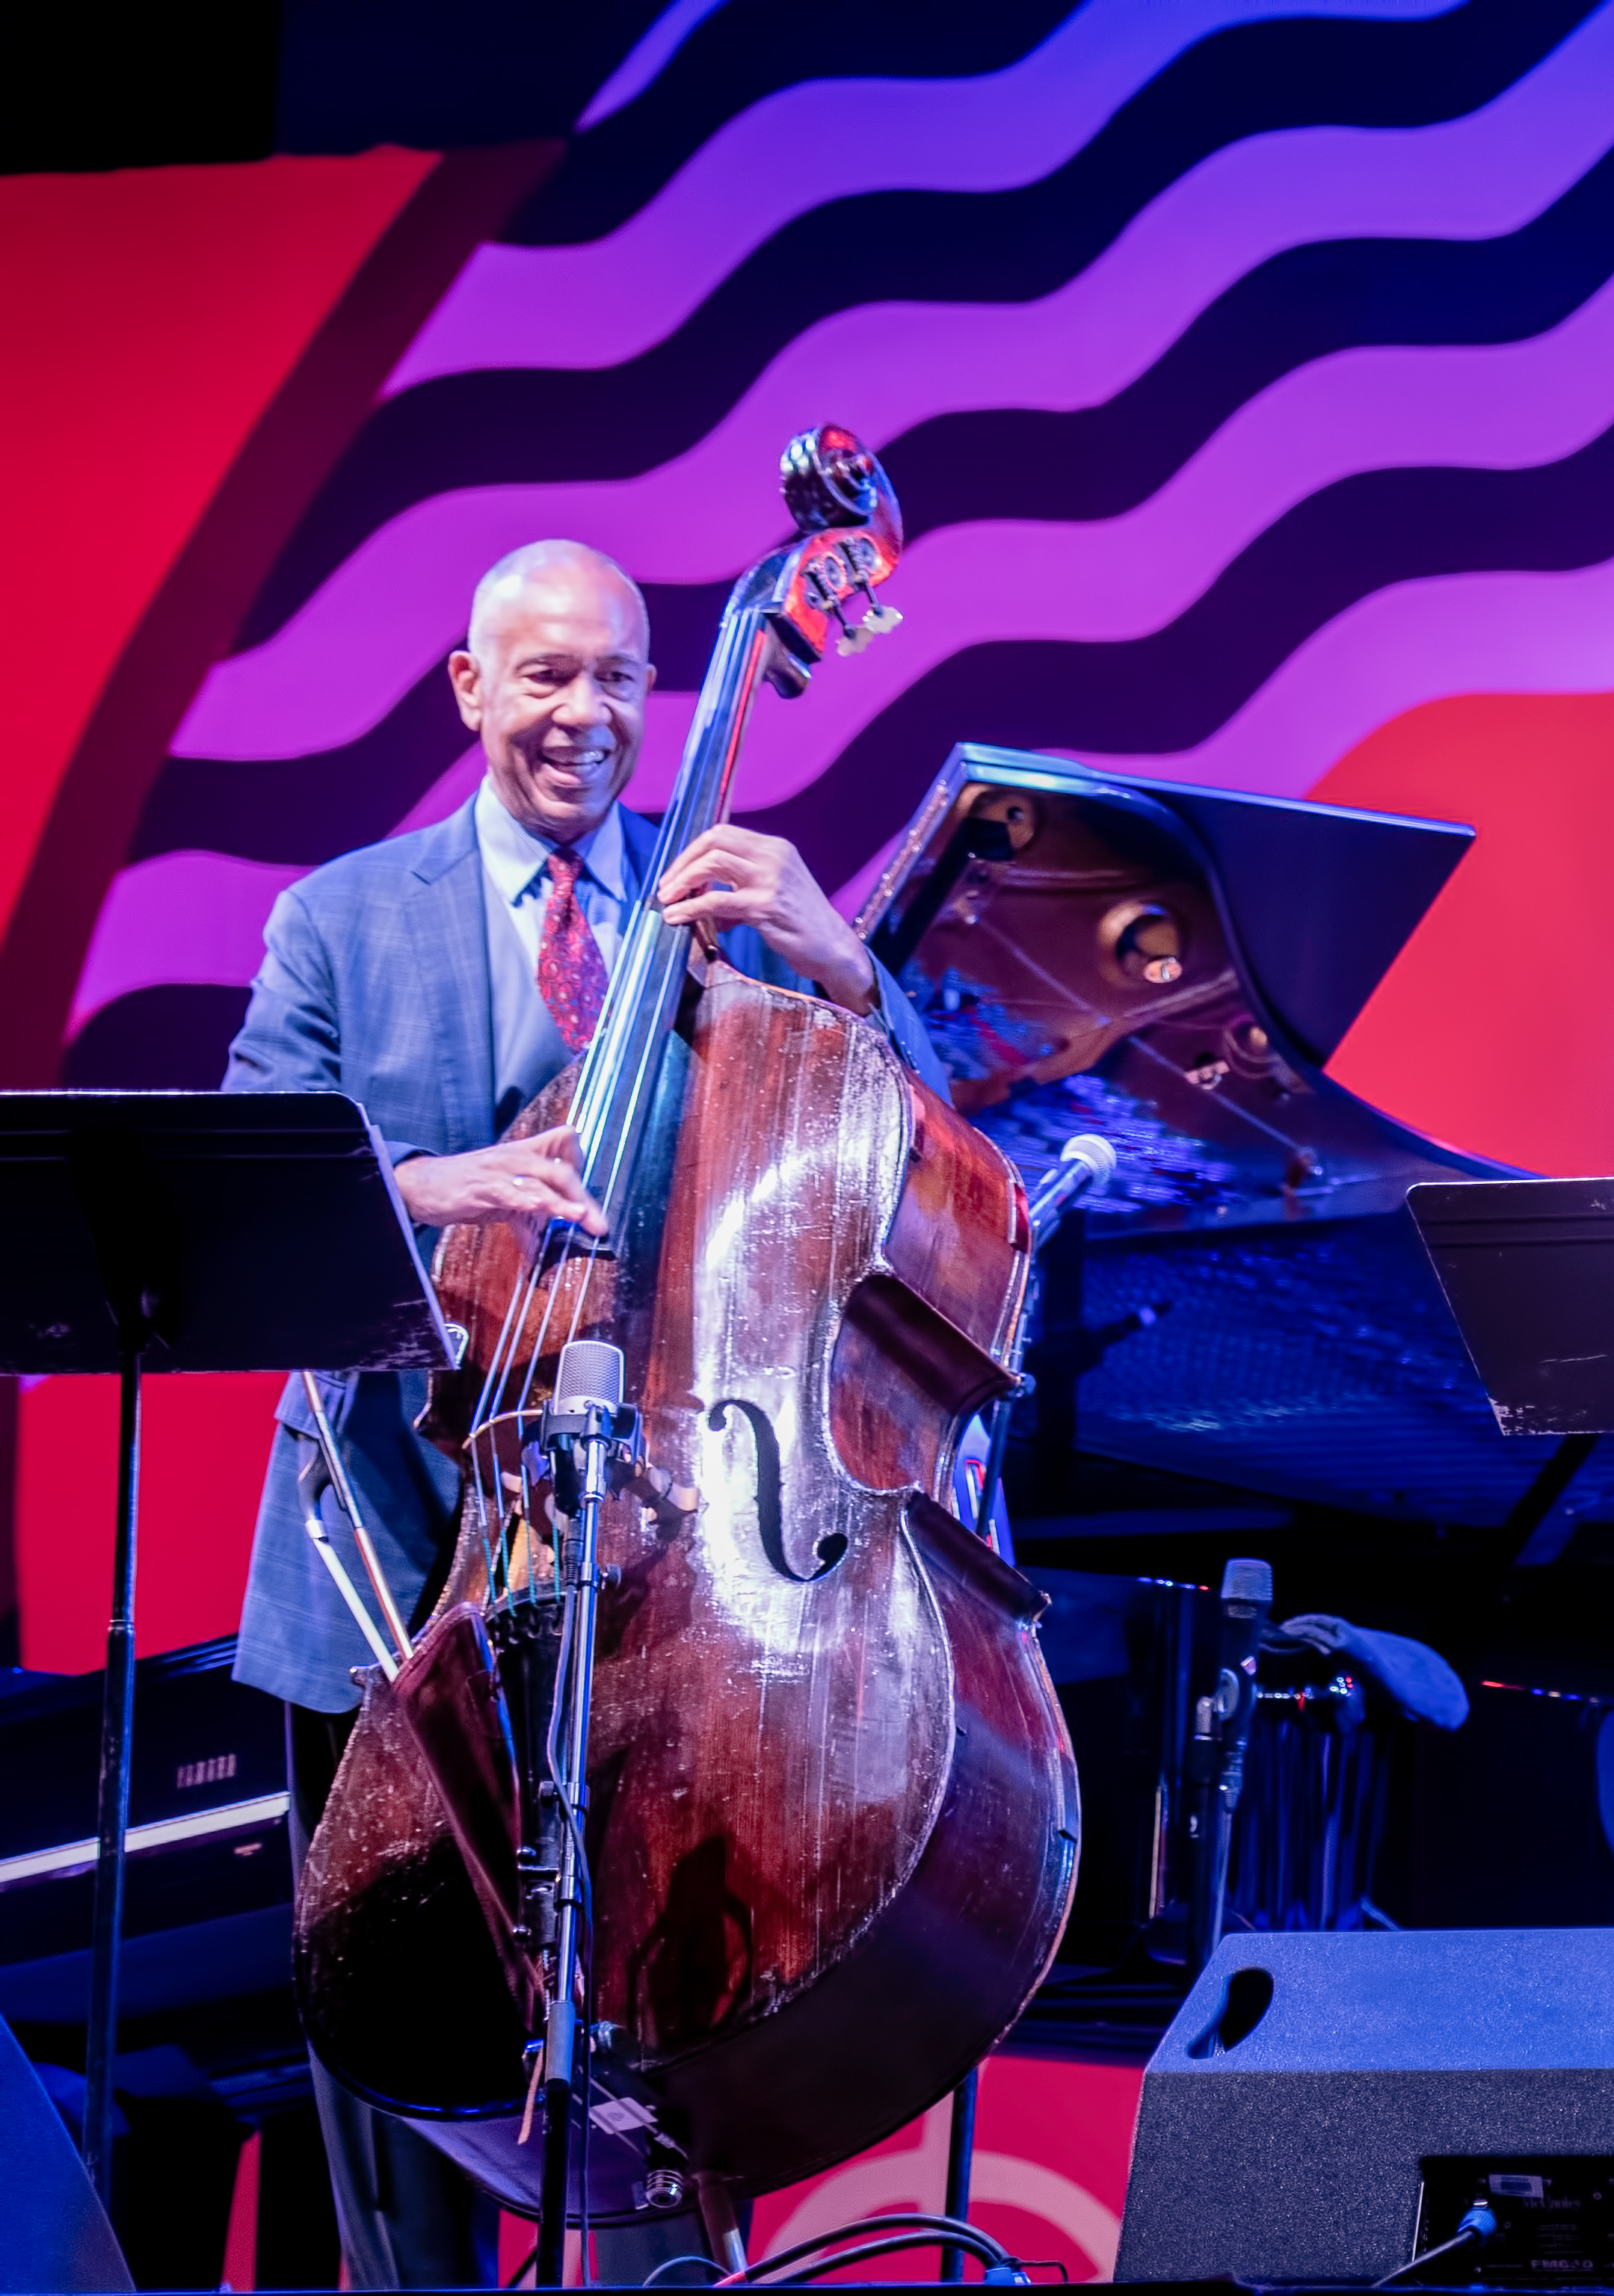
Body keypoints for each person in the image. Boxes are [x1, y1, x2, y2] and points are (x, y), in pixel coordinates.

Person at [219, 537, 928, 2286]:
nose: (587, 717)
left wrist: (841, 960)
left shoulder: (720, 928)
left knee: (650, 2065)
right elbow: (246, 1214)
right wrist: (437, 1182)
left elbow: (895, 1139)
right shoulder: (337, 921)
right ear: (471, 689)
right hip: (397, 1570)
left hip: (655, 1594)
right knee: (395, 2095)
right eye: (545, 676)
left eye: (620, 677)